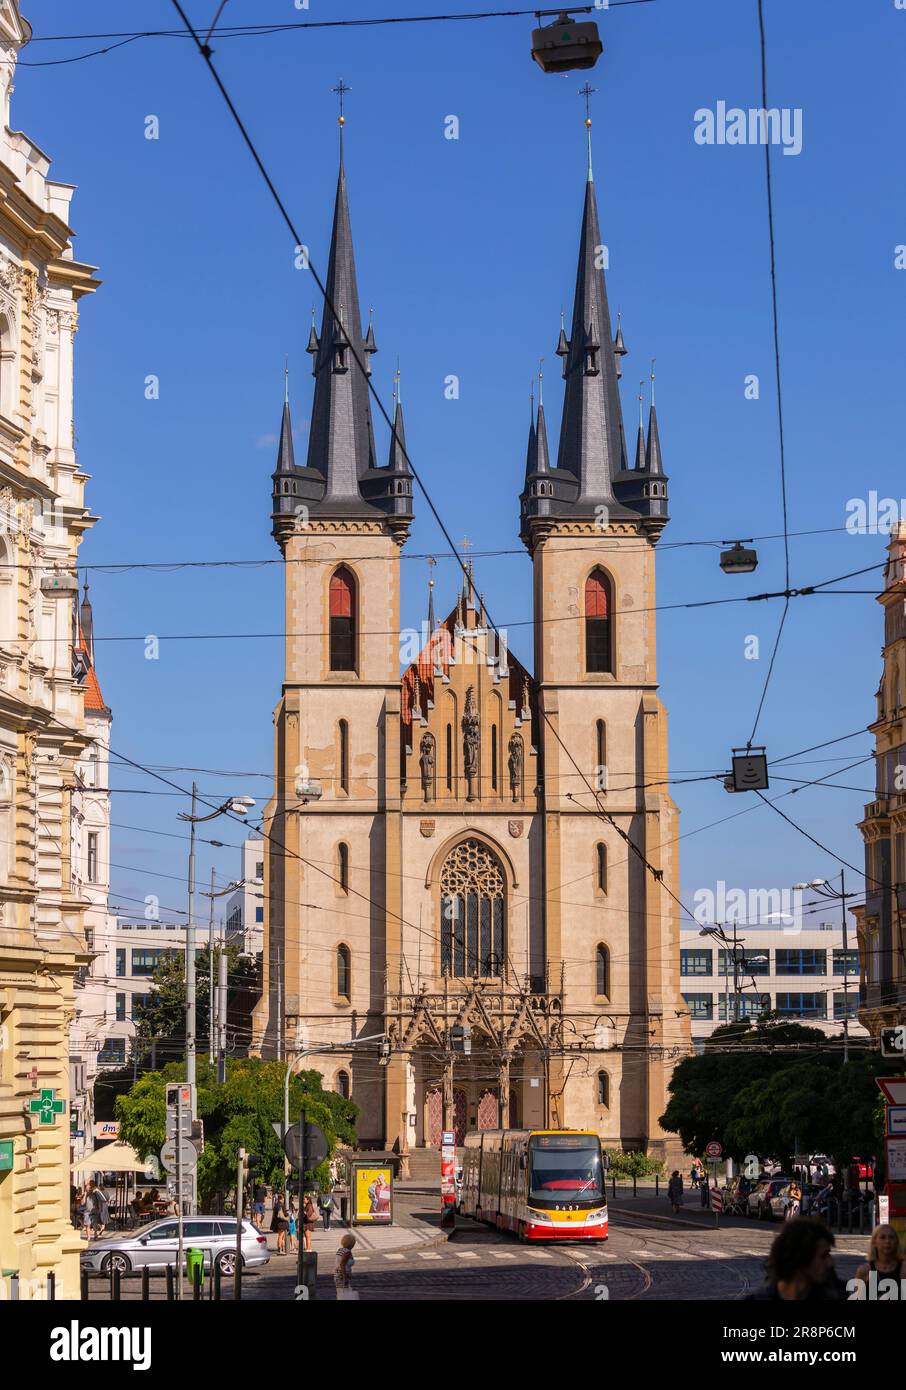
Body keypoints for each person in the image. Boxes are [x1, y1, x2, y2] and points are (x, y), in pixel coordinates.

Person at [746, 1217, 843, 1301]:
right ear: (800, 1257)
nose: (830, 1262)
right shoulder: (762, 1297)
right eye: (823, 1256)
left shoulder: (835, 1294)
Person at [855, 1224, 906, 1290]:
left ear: (896, 1242)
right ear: (874, 1242)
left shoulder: (904, 1270)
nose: (887, 1241)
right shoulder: (864, 1270)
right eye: (882, 1237)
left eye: (891, 1237)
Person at [334, 1232, 357, 1300]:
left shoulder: (340, 1250)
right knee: (346, 1295)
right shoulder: (347, 1252)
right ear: (351, 1243)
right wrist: (345, 1277)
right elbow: (342, 1264)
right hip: (342, 1276)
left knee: (342, 1295)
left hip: (337, 1275)